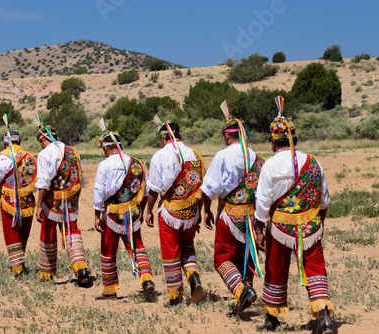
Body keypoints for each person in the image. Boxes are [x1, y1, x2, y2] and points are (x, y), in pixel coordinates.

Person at [254, 97, 333, 333]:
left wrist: (260, 228)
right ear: (294, 139)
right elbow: (324, 199)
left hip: (280, 227)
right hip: (310, 225)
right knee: (316, 268)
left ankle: (272, 317)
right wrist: (318, 223)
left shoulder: (270, 165)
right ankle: (324, 315)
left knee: (275, 268)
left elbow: (263, 202)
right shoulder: (314, 163)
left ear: (273, 142)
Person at [201, 102, 266, 315]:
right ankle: (245, 293)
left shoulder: (222, 155)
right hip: (253, 216)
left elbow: (210, 187)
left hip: (230, 215)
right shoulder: (258, 158)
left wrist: (206, 210)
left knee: (222, 258)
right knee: (245, 258)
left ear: (227, 136)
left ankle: (241, 290)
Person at [93, 122, 156, 301]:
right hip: (133, 214)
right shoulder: (136, 164)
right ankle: (147, 279)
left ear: (109, 147)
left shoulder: (105, 165)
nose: (104, 153)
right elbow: (147, 190)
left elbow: (100, 192)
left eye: (104, 149)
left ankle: (110, 290)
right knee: (137, 247)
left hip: (112, 214)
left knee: (108, 250)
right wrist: (142, 211)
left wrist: (97, 215)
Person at [145, 116, 205, 306]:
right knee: (187, 247)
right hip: (191, 212)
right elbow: (201, 190)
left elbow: (154, 189)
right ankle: (193, 277)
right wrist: (200, 213)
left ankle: (175, 296)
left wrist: (149, 210)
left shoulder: (160, 155)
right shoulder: (196, 155)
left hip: (170, 212)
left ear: (163, 138)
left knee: (171, 252)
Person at [34, 124, 90, 287]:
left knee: (48, 233)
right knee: (72, 232)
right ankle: (81, 269)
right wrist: (76, 199)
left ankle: (47, 273)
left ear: (44, 139)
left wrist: (39, 206)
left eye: (41, 142)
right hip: (70, 200)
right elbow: (81, 179)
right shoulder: (73, 151)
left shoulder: (45, 154)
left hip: (52, 202)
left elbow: (43, 183)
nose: (41, 145)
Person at [0, 128, 37, 277]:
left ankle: (17, 268)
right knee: (23, 233)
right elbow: (35, 184)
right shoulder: (29, 157)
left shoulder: (2, 158)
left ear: (5, 143)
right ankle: (21, 264)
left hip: (10, 201)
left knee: (12, 233)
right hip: (27, 201)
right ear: (18, 141)